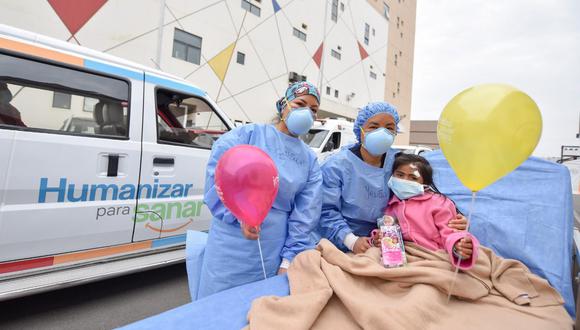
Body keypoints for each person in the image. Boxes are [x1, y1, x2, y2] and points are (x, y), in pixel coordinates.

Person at [198, 81, 323, 298]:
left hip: (273, 246)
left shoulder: (309, 159)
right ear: (282, 105)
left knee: (261, 307)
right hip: (230, 241)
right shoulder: (247, 136)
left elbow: (306, 213)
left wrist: (289, 259)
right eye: (300, 104)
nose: (307, 113)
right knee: (218, 306)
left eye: (313, 110)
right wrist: (239, 216)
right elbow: (217, 175)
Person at [318, 102, 467, 254]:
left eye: (389, 128)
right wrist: (351, 240)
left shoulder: (398, 162)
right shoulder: (336, 166)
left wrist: (456, 218)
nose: (382, 133)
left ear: (396, 132)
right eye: (374, 127)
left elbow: (425, 194)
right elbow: (325, 211)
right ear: (360, 130)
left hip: (390, 239)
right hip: (344, 239)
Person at [384, 153, 479, 268]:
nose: (405, 181)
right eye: (400, 175)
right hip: (402, 257)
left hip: (433, 255)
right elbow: (387, 233)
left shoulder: (439, 203)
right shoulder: (391, 205)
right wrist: (377, 238)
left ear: (425, 183)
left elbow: (450, 233)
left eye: (413, 178)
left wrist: (458, 246)